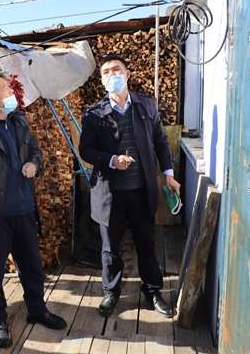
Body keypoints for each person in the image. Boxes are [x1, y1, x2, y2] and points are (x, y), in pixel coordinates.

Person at [0, 73, 67, 349]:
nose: (11, 91)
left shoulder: (18, 121)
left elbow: (35, 150)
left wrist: (34, 165)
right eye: (5, 88)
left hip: (25, 210)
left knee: (32, 266)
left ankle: (37, 309)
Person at [79, 54, 180, 318]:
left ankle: (153, 291)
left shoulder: (146, 105)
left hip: (140, 191)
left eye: (116, 70)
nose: (111, 75)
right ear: (101, 80)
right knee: (109, 248)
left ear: (128, 74)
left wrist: (168, 174)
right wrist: (112, 160)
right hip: (109, 193)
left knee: (146, 243)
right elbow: (86, 150)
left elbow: (160, 140)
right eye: (106, 72)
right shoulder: (94, 114)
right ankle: (111, 292)